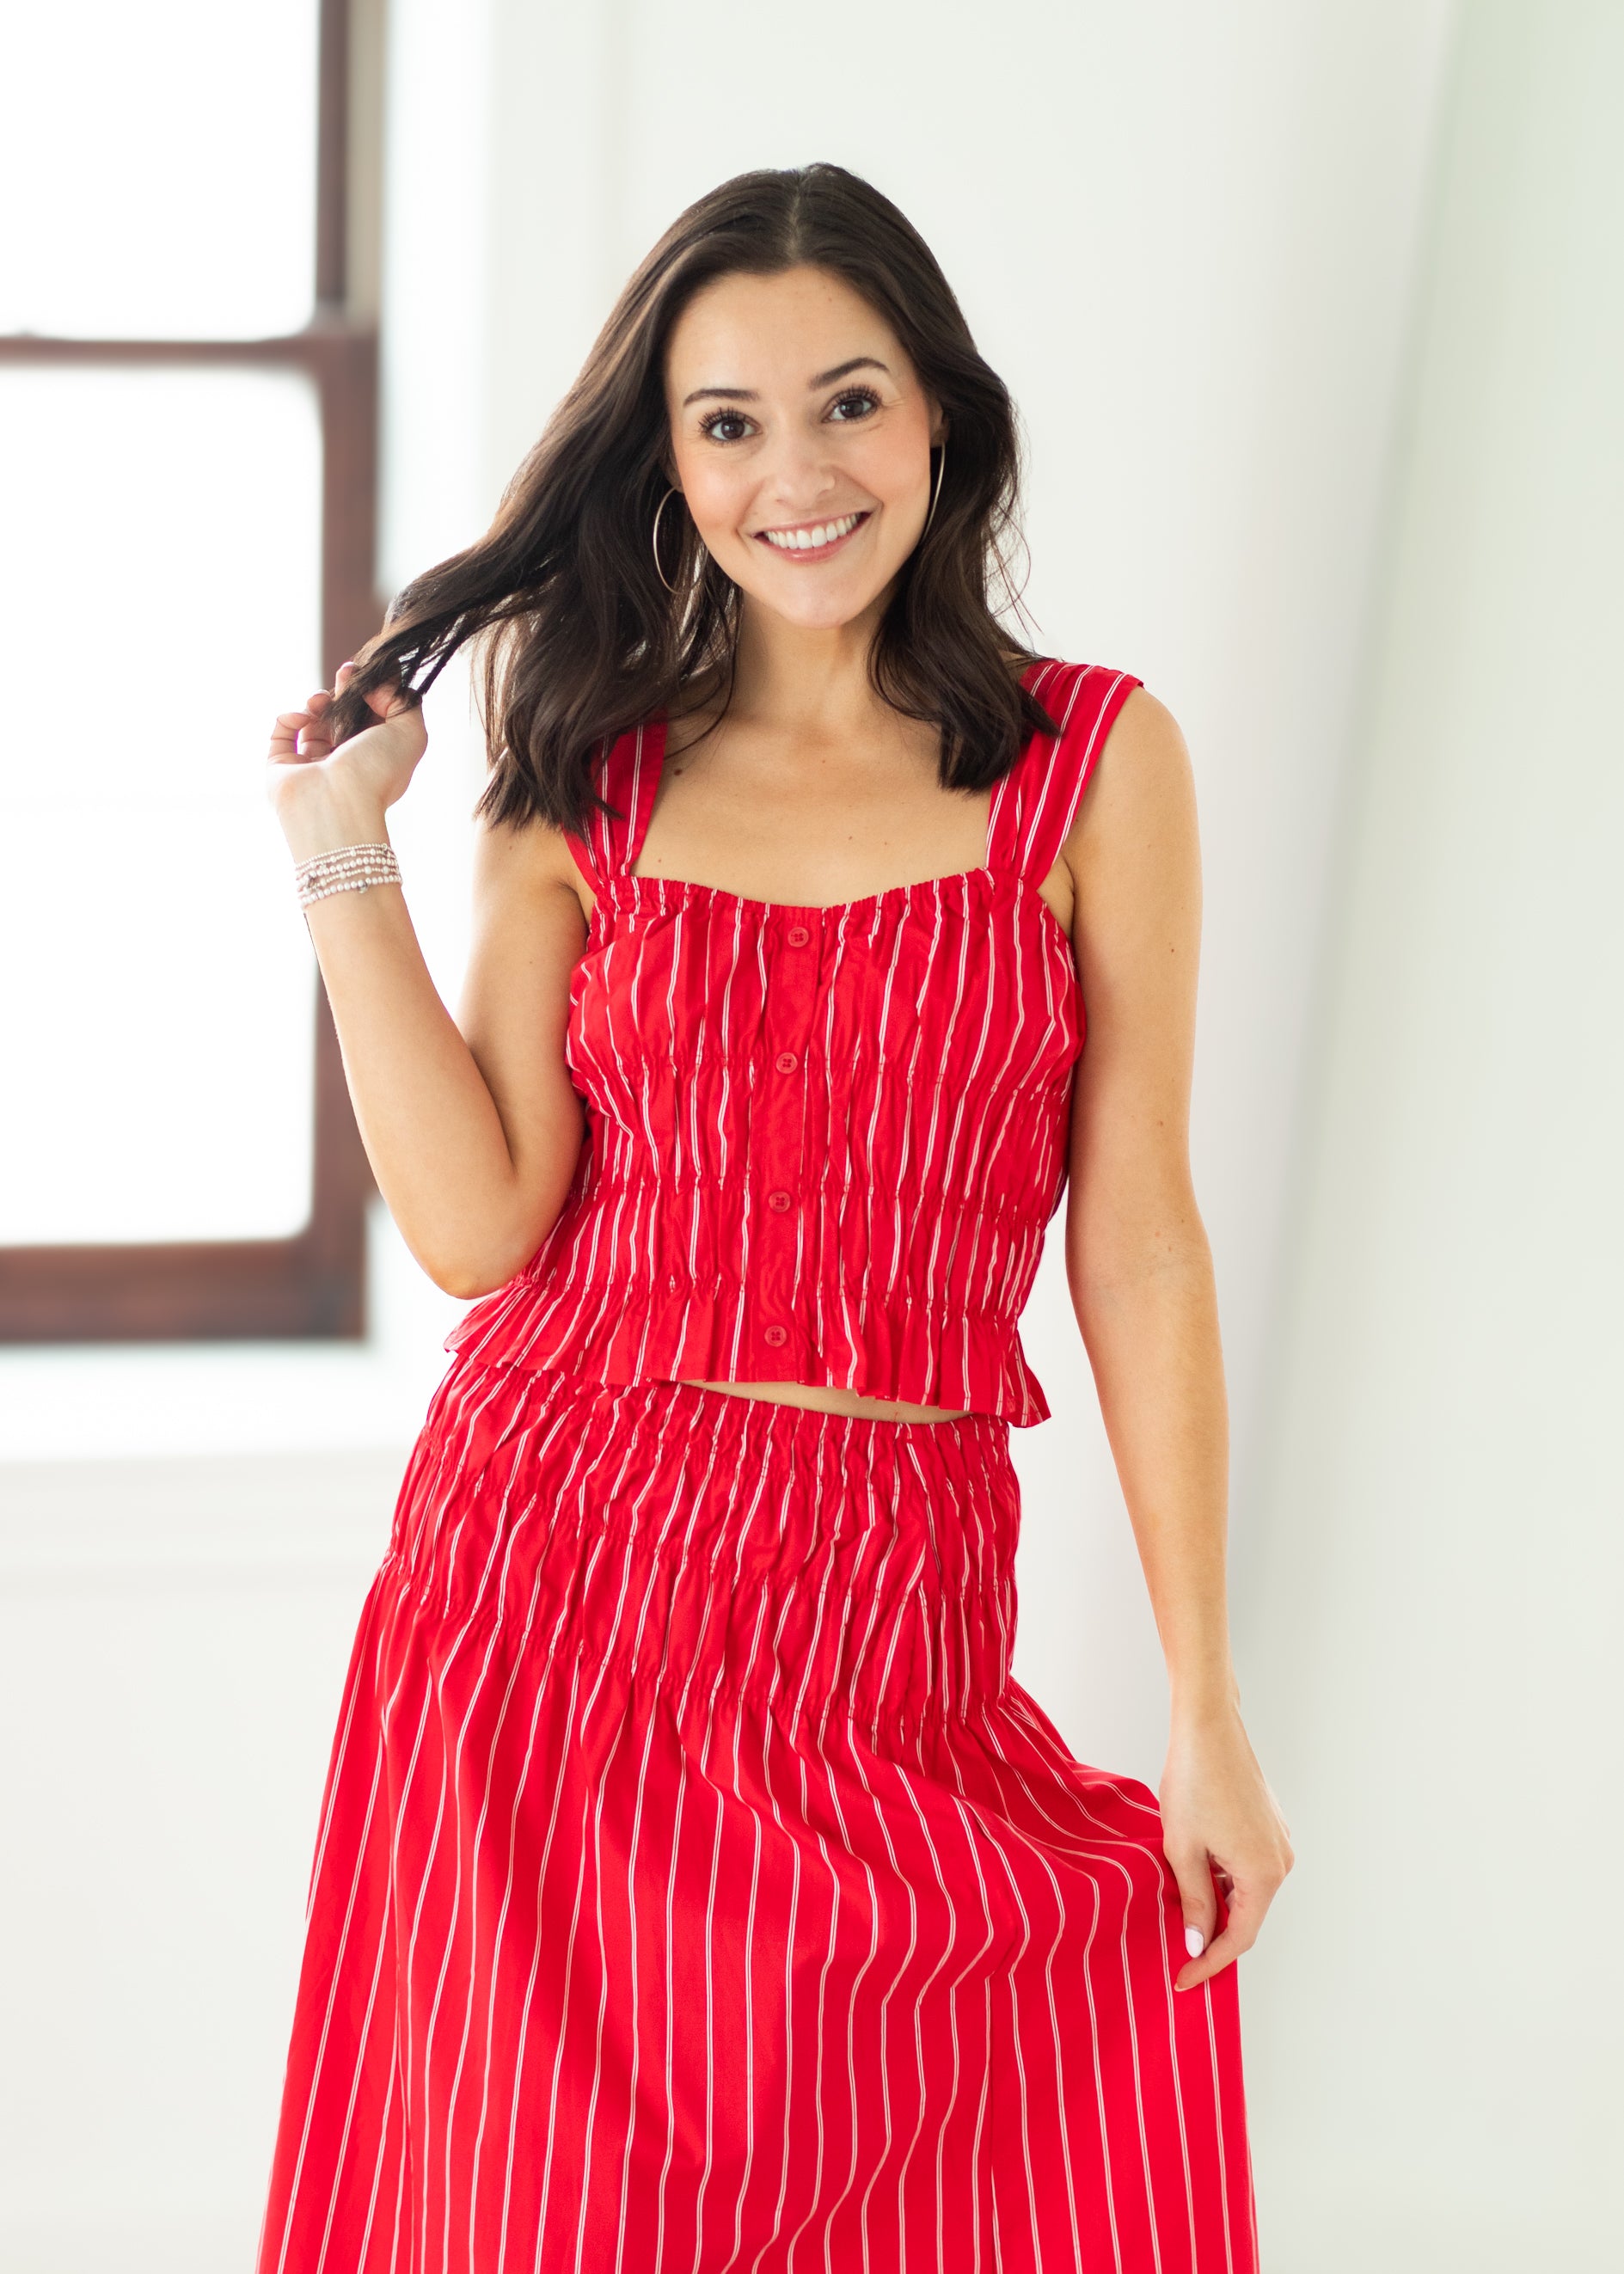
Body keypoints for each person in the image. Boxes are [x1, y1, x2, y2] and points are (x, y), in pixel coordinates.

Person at [256, 162, 1292, 2274]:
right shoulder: (587, 772)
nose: (793, 474)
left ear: (943, 425)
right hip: (559, 1587)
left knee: (975, 2170)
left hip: (888, 1616)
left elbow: (1142, 1236)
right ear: (670, 462)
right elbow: (479, 1227)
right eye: (727, 423)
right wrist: (334, 855)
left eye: (847, 404)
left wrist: (1206, 1701)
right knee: (557, 2222)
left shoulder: (1095, 764)